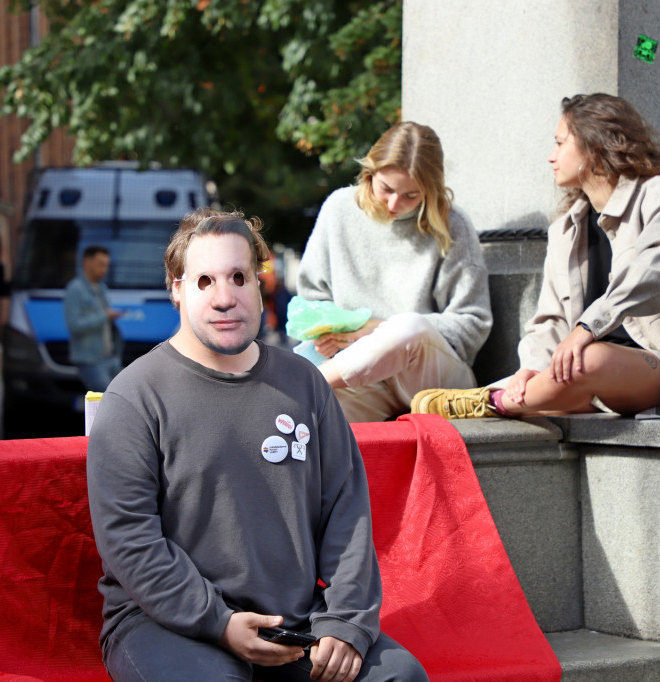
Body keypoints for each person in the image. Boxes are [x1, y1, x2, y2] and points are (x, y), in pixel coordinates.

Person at [86, 209, 428, 682]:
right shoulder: (134, 397)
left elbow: (346, 514)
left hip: (292, 621)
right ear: (176, 288)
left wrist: (347, 622)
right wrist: (219, 623)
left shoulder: (304, 383)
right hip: (166, 623)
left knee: (401, 677)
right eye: (204, 281)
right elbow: (129, 540)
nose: (224, 297)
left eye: (238, 277)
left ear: (259, 284)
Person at [412, 93, 660, 419]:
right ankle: (521, 392)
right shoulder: (566, 228)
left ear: (594, 146)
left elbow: (659, 272)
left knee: (590, 360)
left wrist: (587, 328)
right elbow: (549, 318)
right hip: (591, 375)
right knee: (578, 365)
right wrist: (531, 368)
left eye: (560, 143)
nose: (551, 156)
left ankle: (492, 401)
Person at [295, 121, 492, 423]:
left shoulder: (453, 225)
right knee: (298, 412)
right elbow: (312, 300)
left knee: (407, 328)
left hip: (431, 378)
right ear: (370, 173)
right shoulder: (338, 209)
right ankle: (294, 389)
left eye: (411, 195)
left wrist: (379, 329)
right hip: (362, 380)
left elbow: (473, 324)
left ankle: (301, 384)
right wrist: (325, 331)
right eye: (386, 189)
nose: (394, 203)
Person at [64, 245, 123, 390]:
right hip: (89, 359)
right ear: (87, 262)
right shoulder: (75, 289)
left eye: (106, 265)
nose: (104, 269)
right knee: (106, 399)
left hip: (109, 357)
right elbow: (74, 325)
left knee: (124, 394)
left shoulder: (102, 288)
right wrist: (104, 316)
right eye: (100, 264)